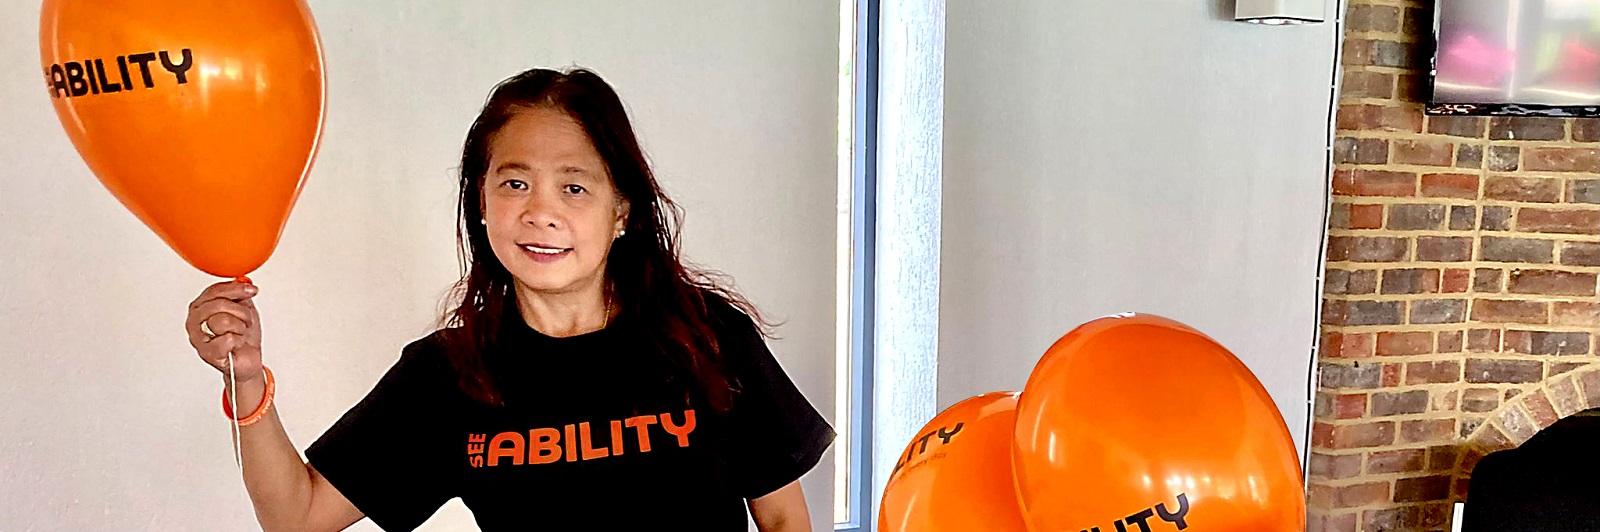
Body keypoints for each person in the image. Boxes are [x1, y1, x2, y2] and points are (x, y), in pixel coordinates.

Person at [183, 67, 834, 531]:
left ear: (621, 211)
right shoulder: (447, 374)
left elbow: (782, 518)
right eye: (515, 183)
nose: (540, 213)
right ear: (482, 201)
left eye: (574, 188)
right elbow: (296, 517)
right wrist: (247, 379)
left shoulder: (707, 337)